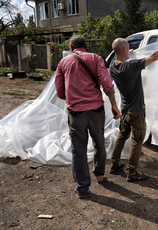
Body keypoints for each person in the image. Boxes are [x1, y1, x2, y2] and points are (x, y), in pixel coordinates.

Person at [109, 34, 158, 182]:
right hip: (136, 111)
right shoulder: (131, 66)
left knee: (122, 135)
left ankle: (114, 164)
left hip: (125, 109)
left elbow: (124, 62)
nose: (130, 51)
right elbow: (155, 56)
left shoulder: (112, 66)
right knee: (137, 140)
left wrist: (130, 57)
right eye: (128, 49)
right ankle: (132, 172)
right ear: (124, 50)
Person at [55, 35, 120, 199]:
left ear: (71, 48)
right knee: (99, 141)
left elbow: (60, 91)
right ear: (86, 46)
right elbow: (106, 82)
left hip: (76, 113)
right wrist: (113, 104)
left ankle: (82, 189)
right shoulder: (96, 59)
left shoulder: (63, 63)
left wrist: (73, 98)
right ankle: (99, 175)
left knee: (79, 151)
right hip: (97, 110)